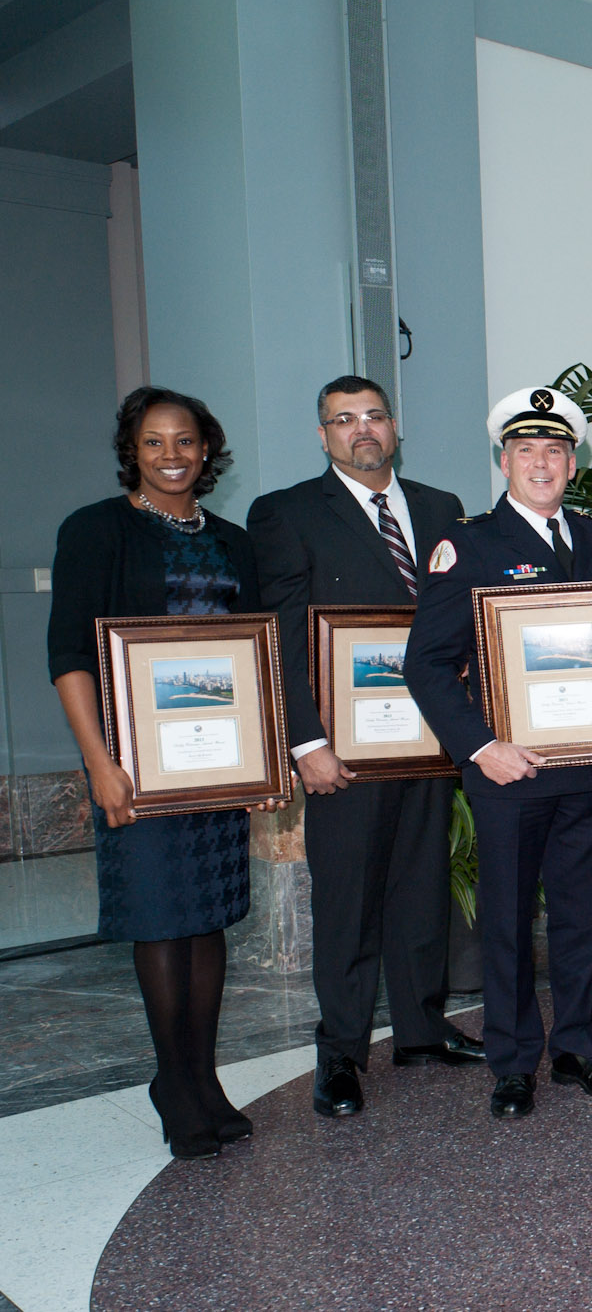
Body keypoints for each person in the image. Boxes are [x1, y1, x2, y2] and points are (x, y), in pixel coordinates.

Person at [48, 386, 286, 1158]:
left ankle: (201, 1075)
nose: (172, 455)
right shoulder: (95, 530)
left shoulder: (231, 540)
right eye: (154, 442)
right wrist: (101, 765)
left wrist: (262, 761)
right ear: (133, 451)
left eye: (185, 441)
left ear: (206, 450)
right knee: (159, 915)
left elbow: (256, 656)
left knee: (206, 913)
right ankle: (172, 1081)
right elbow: (71, 657)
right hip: (137, 765)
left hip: (215, 764)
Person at [247, 374, 482, 1121]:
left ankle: (419, 1029)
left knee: (421, 886)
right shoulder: (285, 514)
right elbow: (280, 634)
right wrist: (305, 741)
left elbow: (462, 615)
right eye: (342, 420)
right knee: (347, 899)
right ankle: (342, 1050)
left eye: (373, 415)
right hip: (342, 747)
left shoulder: (442, 508)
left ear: (394, 425)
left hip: (427, 739)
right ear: (323, 436)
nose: (361, 430)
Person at [404, 386, 592, 1120]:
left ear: (573, 461)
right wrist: (478, 747)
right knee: (503, 921)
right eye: (527, 451)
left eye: (556, 451)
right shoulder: (466, 544)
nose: (542, 463)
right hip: (509, 769)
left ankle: (575, 1048)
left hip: (589, 770)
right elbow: (427, 664)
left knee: (581, 918)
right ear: (504, 460)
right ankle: (511, 1060)